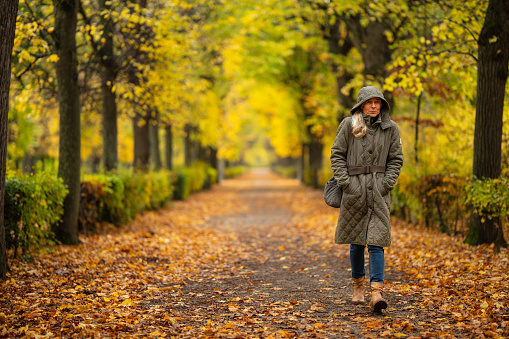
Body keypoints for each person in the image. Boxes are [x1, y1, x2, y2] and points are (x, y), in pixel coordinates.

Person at [330, 85, 403, 312]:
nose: (373, 106)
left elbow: (396, 159)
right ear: (361, 104)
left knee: (376, 241)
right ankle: (358, 286)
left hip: (379, 192)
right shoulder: (349, 125)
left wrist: (386, 184)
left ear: (382, 104)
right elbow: (337, 155)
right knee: (356, 242)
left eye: (377, 102)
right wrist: (346, 183)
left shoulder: (391, 128)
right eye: (369, 102)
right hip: (354, 191)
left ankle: (376, 293)